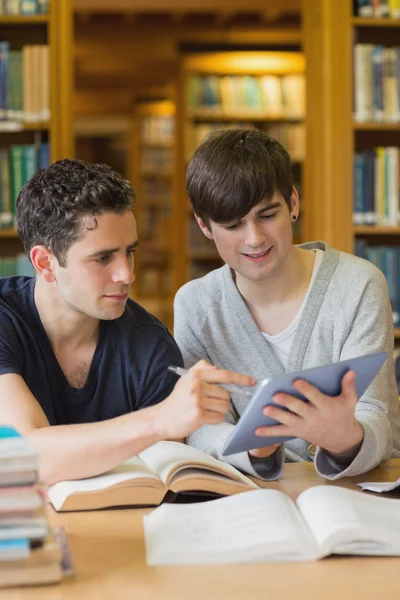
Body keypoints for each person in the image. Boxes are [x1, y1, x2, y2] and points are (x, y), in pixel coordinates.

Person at [0, 158, 255, 484]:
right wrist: (159, 419)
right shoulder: (5, 321)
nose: (127, 274)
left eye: (129, 252)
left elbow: (165, 479)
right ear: (45, 263)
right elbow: (24, 455)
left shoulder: (151, 345)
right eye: (103, 258)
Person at [174, 128, 400, 481]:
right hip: (254, 497)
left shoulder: (359, 284)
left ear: (293, 204)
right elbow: (200, 426)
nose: (255, 239)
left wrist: (346, 441)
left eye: (267, 215)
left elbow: (376, 414)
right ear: (205, 227)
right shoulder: (196, 305)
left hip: (356, 489)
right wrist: (252, 446)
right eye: (233, 225)